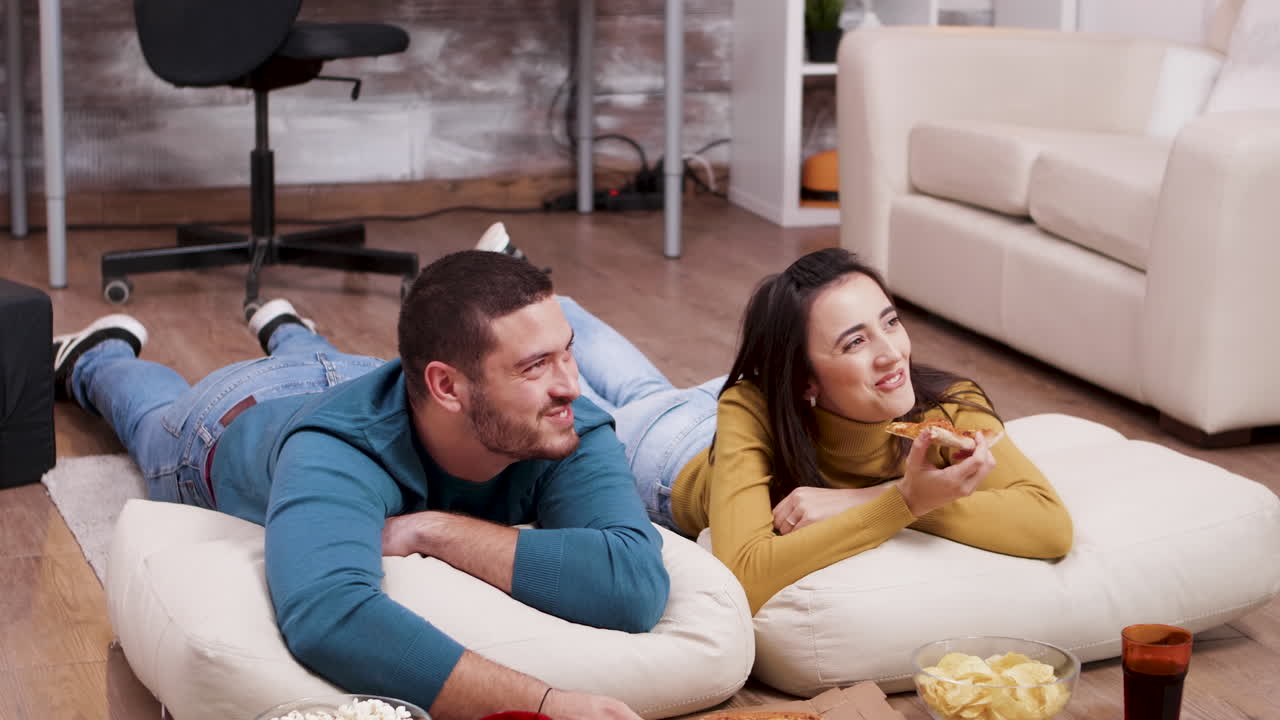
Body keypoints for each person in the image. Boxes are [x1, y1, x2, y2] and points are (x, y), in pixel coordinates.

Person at [52, 233, 668, 720]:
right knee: (151, 416)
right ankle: (95, 357)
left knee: (324, 366)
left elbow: (633, 583)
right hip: (231, 414)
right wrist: (543, 707)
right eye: (536, 365)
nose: (571, 385)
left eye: (567, 351)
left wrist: (433, 530)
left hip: (354, 373)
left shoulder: (565, 422)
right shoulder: (336, 449)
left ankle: (289, 329)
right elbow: (329, 616)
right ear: (447, 386)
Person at [561, 246, 1073, 614]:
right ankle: (540, 305)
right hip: (667, 456)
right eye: (855, 342)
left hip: (714, 414)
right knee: (574, 374)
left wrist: (883, 498)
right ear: (805, 378)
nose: (892, 353)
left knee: (641, 385)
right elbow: (745, 572)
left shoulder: (951, 405)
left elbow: (1050, 525)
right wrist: (908, 501)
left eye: (890, 322)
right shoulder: (753, 404)